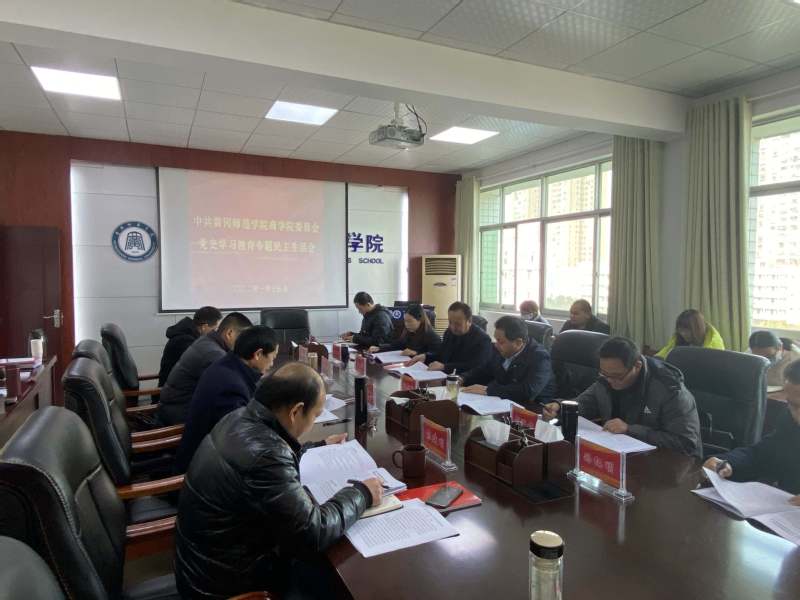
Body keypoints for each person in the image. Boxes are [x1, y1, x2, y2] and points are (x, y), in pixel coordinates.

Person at [174, 363, 382, 599]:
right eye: (315, 415)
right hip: (230, 587)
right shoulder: (267, 456)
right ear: (296, 412)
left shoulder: (238, 418)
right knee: (335, 578)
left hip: (205, 565)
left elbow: (264, 456)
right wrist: (362, 493)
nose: (313, 422)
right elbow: (313, 533)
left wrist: (318, 446)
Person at [542, 336, 702, 458]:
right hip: (623, 456)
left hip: (667, 467)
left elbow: (686, 443)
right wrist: (560, 407)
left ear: (637, 366)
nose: (610, 381)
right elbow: (585, 403)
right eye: (604, 374)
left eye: (617, 376)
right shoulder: (606, 379)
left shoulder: (669, 390)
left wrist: (629, 429)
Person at [174, 325, 280, 473]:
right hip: (204, 471)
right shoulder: (231, 388)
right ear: (258, 354)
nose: (272, 364)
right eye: (273, 357)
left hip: (207, 457)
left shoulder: (227, 365)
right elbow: (241, 443)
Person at [705, 359, 800, 498]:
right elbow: (762, 454)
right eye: (794, 405)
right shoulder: (790, 420)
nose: (797, 416)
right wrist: (728, 462)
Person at [157, 312, 252, 426]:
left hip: (173, 406)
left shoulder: (207, 340)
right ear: (229, 333)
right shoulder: (214, 353)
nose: (244, 344)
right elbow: (231, 387)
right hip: (180, 413)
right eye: (242, 338)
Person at [460, 315, 555, 407]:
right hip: (504, 402)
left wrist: (489, 390)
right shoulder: (501, 349)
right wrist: (462, 378)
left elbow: (528, 391)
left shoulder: (540, 357)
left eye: (501, 342)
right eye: (496, 340)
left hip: (534, 407)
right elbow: (485, 369)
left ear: (518, 342)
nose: (496, 345)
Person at [407, 301, 492, 374]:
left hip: (467, 382)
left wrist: (445, 367)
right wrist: (426, 356)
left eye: (457, 324)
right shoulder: (449, 332)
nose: (453, 327)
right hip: (445, 376)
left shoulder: (482, 340)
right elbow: (442, 354)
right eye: (450, 322)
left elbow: (475, 366)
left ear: (469, 321)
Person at [158, 306, 222, 387]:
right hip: (172, 390)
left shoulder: (188, 335)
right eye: (215, 329)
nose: (216, 333)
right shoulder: (185, 341)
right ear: (204, 327)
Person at [368, 304, 441, 357]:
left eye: (410, 321)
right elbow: (398, 345)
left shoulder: (432, 336)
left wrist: (416, 353)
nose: (406, 324)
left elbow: (436, 355)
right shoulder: (409, 332)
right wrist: (380, 348)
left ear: (420, 319)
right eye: (405, 321)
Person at [655, 309, 725, 359]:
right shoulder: (678, 338)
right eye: (680, 330)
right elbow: (664, 354)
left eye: (686, 330)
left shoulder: (714, 345)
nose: (682, 334)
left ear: (697, 328)